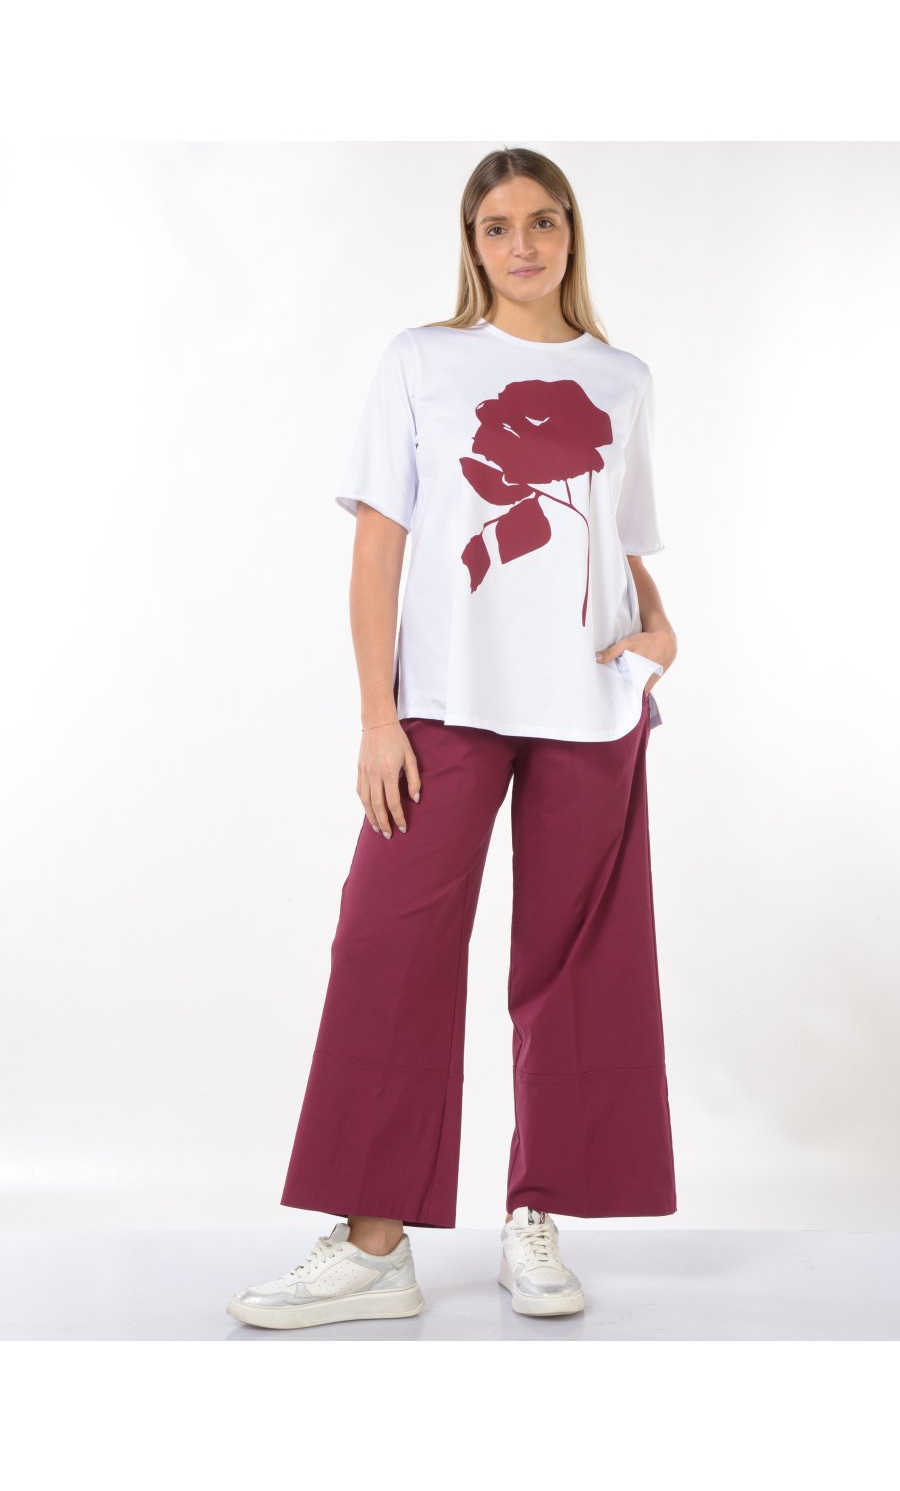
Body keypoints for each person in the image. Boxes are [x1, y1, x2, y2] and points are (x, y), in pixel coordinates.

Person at [227, 147, 678, 1331]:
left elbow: (622, 541)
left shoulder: (623, 377)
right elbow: (379, 545)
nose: (522, 245)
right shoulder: (420, 360)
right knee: (388, 946)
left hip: (590, 701)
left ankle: (537, 1218)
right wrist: (377, 717)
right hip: (443, 703)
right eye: (496, 226)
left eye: (543, 221)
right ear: (471, 243)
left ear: (571, 232)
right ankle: (376, 1247)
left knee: (574, 967)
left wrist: (663, 627)